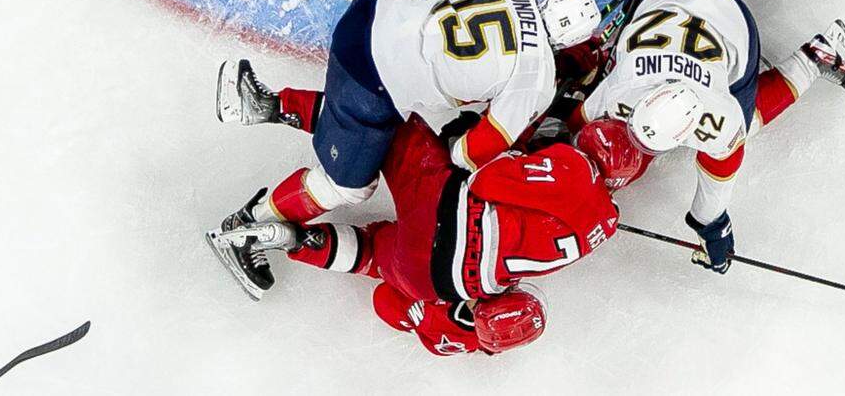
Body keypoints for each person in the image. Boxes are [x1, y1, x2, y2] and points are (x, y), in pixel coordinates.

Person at [210, 0, 601, 290]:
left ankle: (269, 105)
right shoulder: (536, 78)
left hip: (373, 9)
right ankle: (245, 224)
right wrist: (462, 142)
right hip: (370, 80)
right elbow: (470, 153)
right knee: (351, 185)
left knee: (400, 90)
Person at [208, 112, 641, 356]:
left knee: (380, 123)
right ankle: (289, 241)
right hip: (430, 282)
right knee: (373, 257)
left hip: (448, 212)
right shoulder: (454, 341)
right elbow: (384, 302)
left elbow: (487, 181)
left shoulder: (583, 190)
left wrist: (493, 145)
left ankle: (276, 106)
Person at [571, 0, 845, 274]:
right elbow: (583, 122)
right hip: (690, 5)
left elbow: (580, 122)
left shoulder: (710, 119)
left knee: (748, 122)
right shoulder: (626, 88)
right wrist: (709, 228)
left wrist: (711, 225)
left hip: (730, 24)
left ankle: (817, 55)